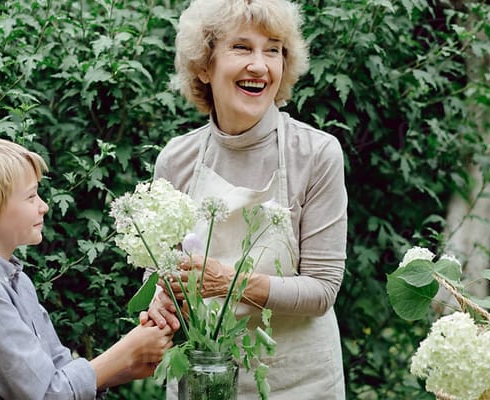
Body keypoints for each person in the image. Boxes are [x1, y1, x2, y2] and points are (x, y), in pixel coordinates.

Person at [140, 0, 347, 398]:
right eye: (242, 48)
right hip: (199, 381)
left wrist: (229, 283)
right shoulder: (176, 160)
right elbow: (158, 273)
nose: (260, 65)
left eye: (273, 50)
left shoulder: (316, 154)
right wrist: (160, 299)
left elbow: (322, 291)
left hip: (297, 385)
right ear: (203, 65)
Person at [0, 135, 173, 399]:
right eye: (30, 197)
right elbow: (49, 394)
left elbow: (57, 373)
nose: (43, 206)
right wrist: (127, 351)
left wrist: (129, 365)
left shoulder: (15, 282)